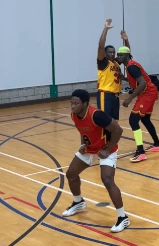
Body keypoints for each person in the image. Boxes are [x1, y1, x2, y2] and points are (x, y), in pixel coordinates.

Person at [61, 89, 130, 233]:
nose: (73, 106)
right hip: (90, 149)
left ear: (85, 104)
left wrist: (107, 149)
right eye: (71, 103)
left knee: (107, 180)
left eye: (76, 103)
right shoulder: (74, 115)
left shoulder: (97, 115)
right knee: (71, 174)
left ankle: (122, 217)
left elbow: (118, 130)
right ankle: (78, 202)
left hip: (106, 148)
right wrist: (82, 144)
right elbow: (83, 131)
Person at [114, 38, 159, 162]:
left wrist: (129, 99)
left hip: (147, 93)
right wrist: (124, 78)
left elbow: (141, 84)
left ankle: (141, 152)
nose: (118, 57)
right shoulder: (130, 65)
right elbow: (136, 81)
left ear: (126, 56)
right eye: (117, 55)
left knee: (133, 120)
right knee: (145, 119)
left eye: (120, 55)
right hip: (149, 92)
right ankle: (157, 145)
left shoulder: (131, 67)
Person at [96, 18, 123, 121]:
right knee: (105, 121)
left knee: (114, 122)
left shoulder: (115, 62)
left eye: (113, 52)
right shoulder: (103, 62)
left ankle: (111, 138)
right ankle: (103, 137)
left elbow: (126, 55)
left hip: (115, 96)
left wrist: (125, 39)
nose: (112, 54)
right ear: (105, 53)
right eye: (110, 52)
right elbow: (101, 46)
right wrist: (105, 29)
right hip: (105, 94)